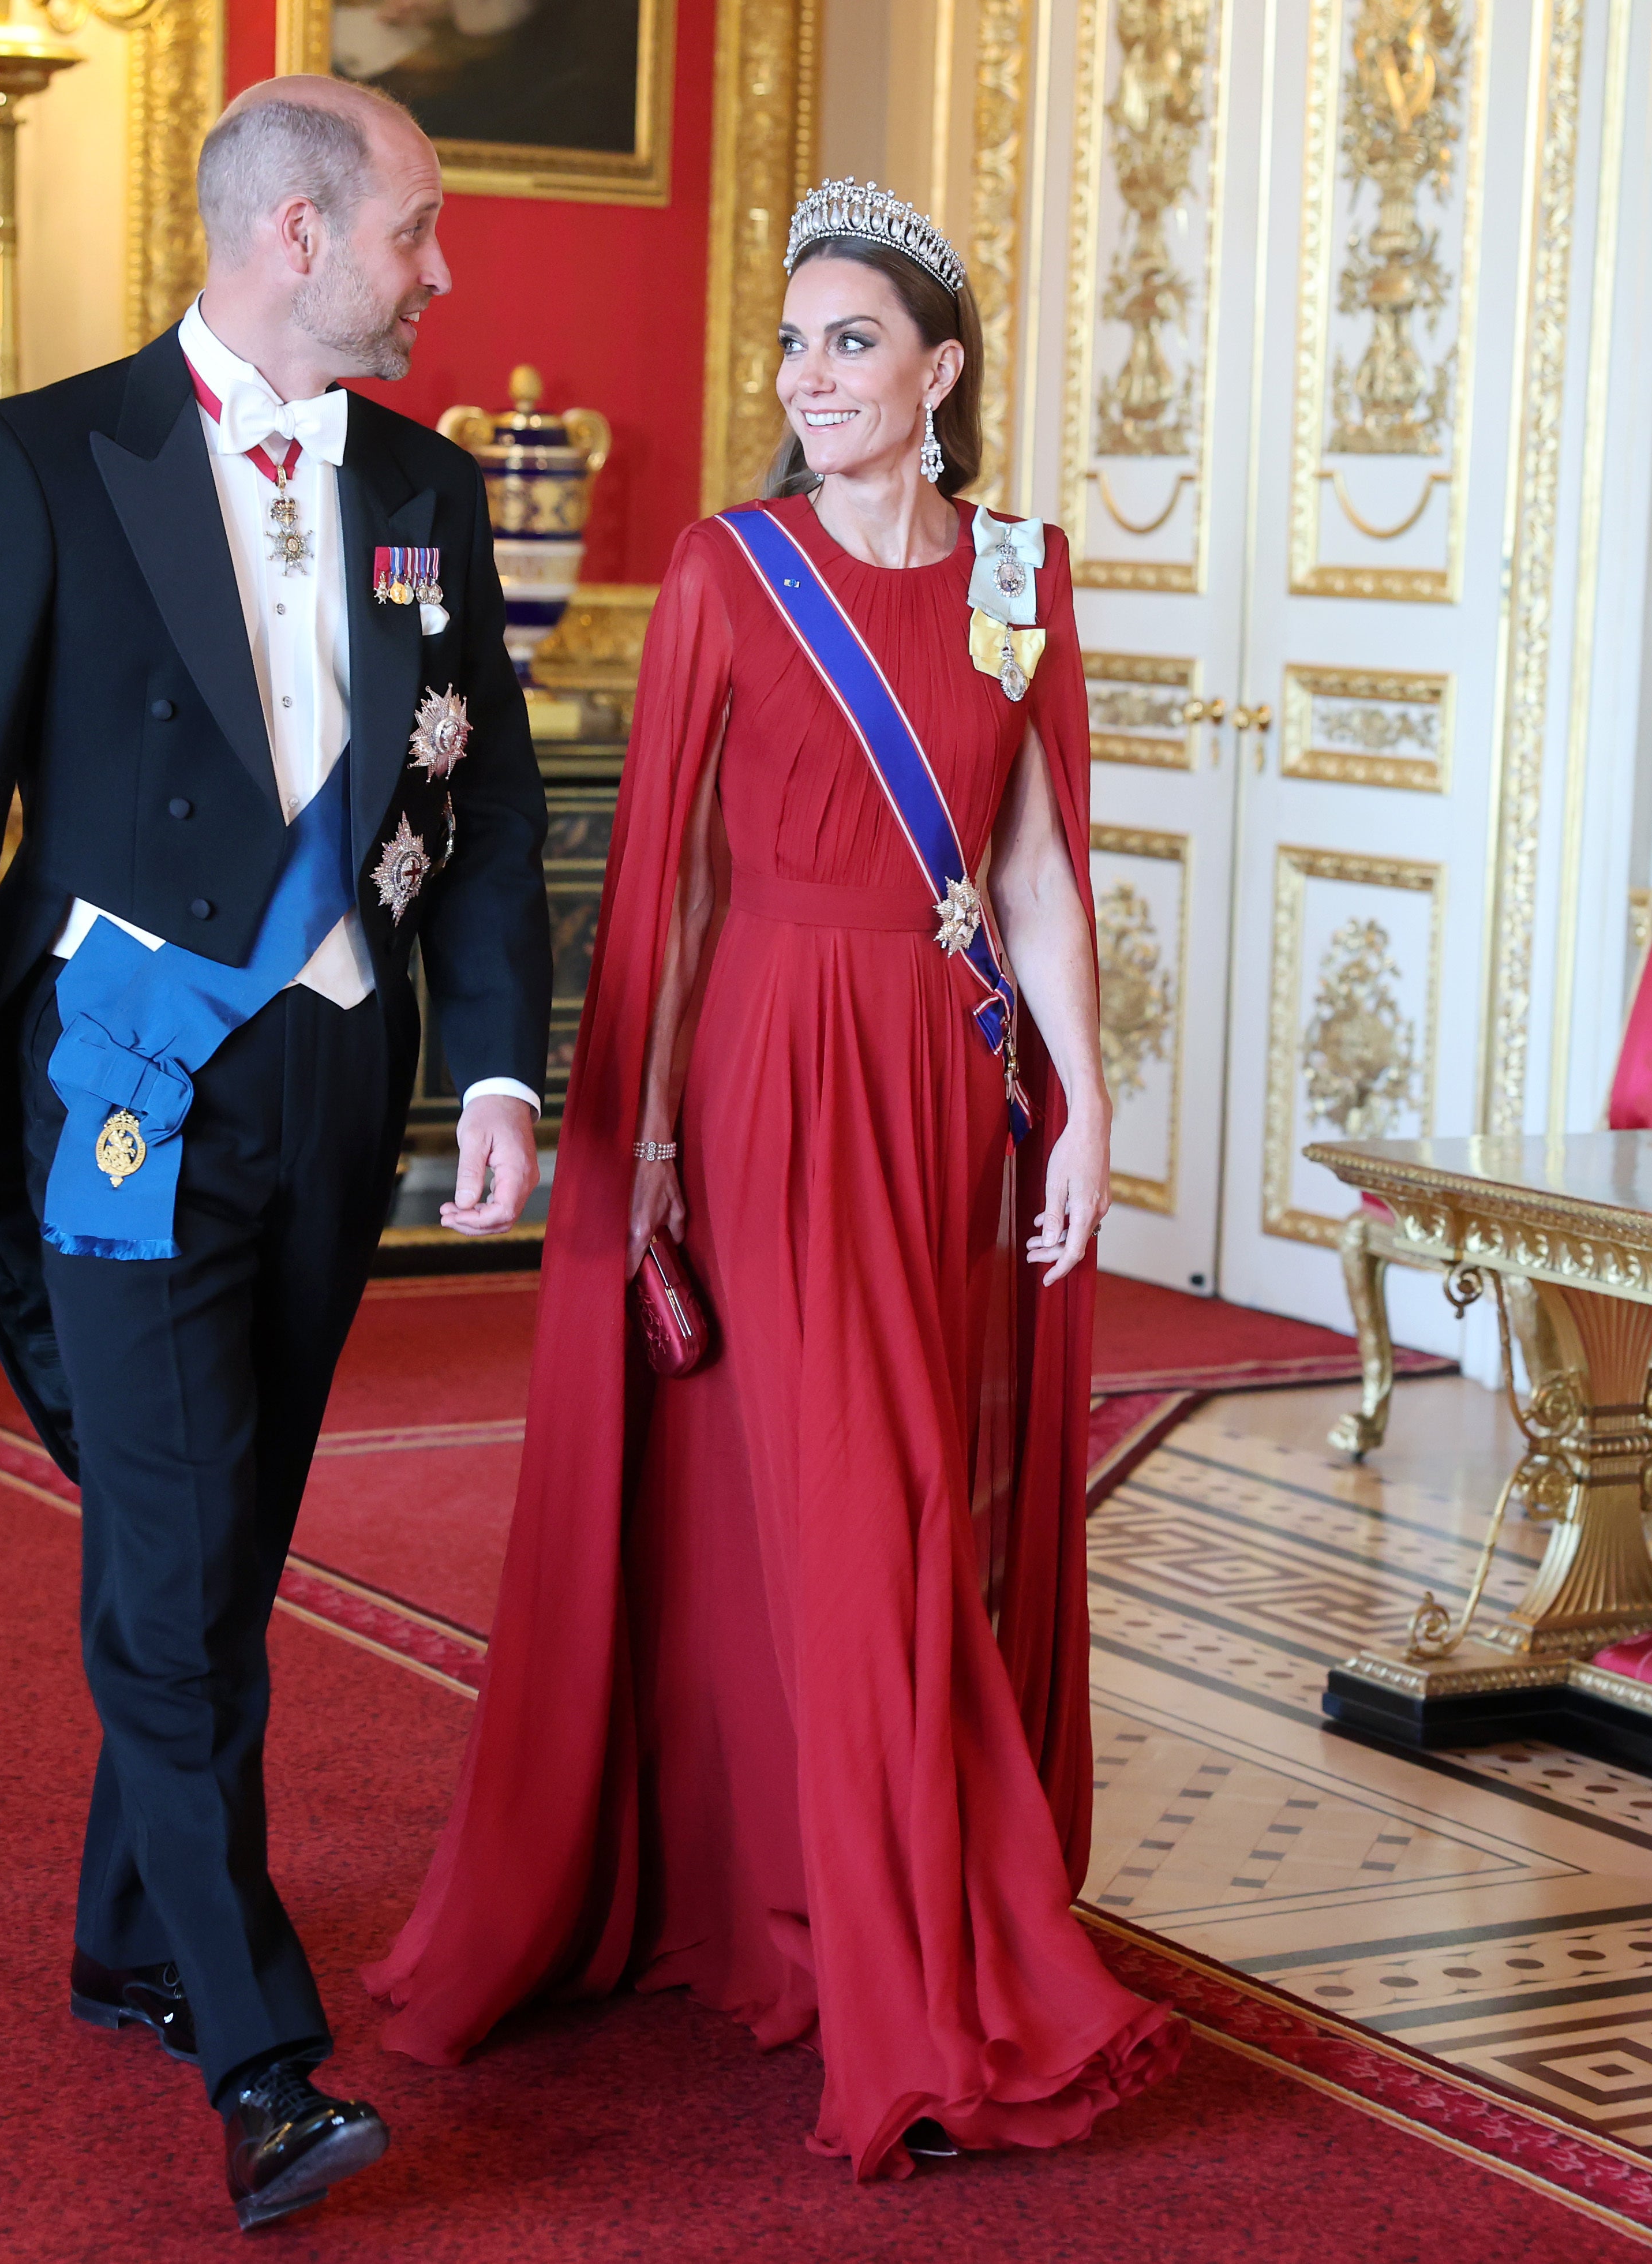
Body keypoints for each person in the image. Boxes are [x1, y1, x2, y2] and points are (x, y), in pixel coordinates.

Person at [365, 183, 1181, 2174]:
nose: (811, 378)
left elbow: (1034, 861)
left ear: (940, 371)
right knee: (862, 1498)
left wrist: (1084, 1099)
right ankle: (912, 1983)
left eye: (852, 343)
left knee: (907, 1496)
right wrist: (645, 1137)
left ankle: (813, 1890)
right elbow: (674, 879)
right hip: (770, 1079)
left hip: (944, 1071)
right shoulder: (730, 569)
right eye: (796, 345)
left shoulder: (1020, 571)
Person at [0, 80, 549, 2231]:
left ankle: (123, 1929)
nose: (441, 271)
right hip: (126, 1083)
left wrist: (497, 1071)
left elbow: (485, 806)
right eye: (416, 230)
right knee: (170, 1557)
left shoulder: (425, 483)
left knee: (224, 1540)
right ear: (298, 231)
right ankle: (256, 2056)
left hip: (331, 1085)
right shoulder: (50, 457)